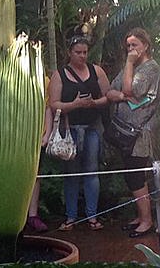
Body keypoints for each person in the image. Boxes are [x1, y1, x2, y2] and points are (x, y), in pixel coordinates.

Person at [49, 33, 110, 231]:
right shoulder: (60, 74)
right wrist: (74, 105)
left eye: (85, 52)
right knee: (71, 174)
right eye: (78, 52)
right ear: (70, 53)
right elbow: (53, 104)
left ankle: (93, 216)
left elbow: (108, 96)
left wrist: (93, 103)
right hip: (70, 129)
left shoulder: (96, 71)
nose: (82, 56)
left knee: (92, 172)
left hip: (92, 128)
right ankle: (71, 216)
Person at [106, 28, 160, 238]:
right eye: (128, 46)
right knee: (131, 175)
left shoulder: (150, 69)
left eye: (134, 45)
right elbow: (112, 91)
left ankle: (147, 221)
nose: (131, 49)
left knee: (137, 175)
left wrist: (129, 64)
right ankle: (141, 216)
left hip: (139, 134)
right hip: (123, 131)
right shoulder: (128, 68)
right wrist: (121, 95)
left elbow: (132, 91)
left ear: (145, 46)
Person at [26, 76, 53, 233]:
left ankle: (32, 215)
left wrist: (47, 132)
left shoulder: (43, 79)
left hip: (37, 137)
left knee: (36, 175)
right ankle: (18, 216)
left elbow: (47, 107)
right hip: (16, 137)